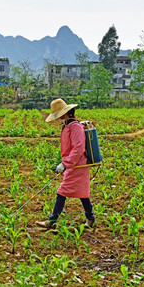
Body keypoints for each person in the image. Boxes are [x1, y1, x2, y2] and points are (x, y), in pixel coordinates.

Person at [36, 98, 95, 229]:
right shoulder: (68, 125)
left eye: (59, 115)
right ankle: (90, 218)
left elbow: (78, 148)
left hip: (78, 165)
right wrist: (65, 163)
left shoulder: (75, 127)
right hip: (73, 165)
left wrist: (65, 163)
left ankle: (52, 221)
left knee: (62, 191)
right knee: (82, 194)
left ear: (66, 113)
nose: (58, 118)